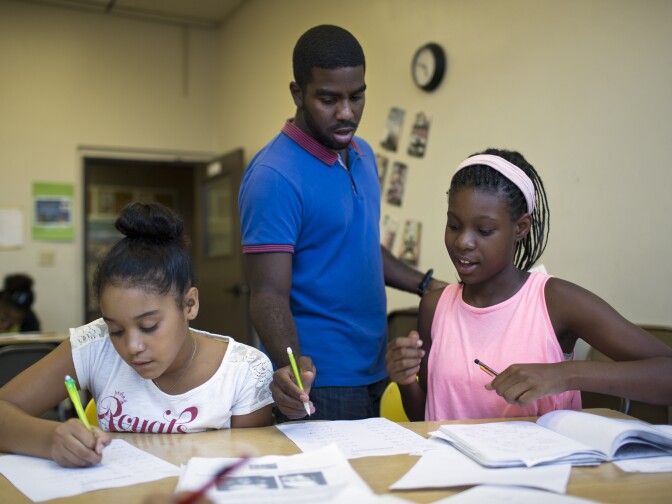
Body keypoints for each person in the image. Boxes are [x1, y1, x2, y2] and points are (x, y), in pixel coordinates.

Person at [238, 24, 445, 422]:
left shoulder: (362, 154)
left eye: (357, 96)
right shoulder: (273, 176)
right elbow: (267, 295)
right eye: (329, 99)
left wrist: (426, 285)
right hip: (323, 382)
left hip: (377, 367)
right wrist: (296, 372)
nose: (347, 112)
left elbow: (360, 245)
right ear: (298, 93)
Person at [386, 148, 672, 421]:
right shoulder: (435, 307)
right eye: (454, 225)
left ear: (520, 228)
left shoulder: (555, 301)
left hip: (544, 471)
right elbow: (428, 416)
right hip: (455, 470)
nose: (463, 242)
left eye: (484, 230)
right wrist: (406, 381)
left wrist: (563, 375)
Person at [0, 202, 274, 468]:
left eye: (149, 326)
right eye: (116, 330)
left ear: (189, 305)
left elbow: (248, 467)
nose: (132, 347)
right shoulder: (95, 346)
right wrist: (50, 439)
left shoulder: (243, 370)